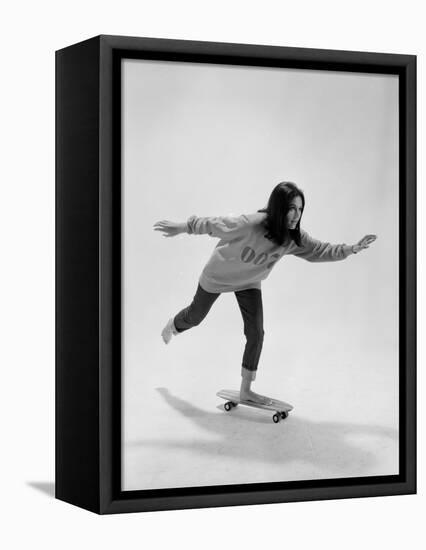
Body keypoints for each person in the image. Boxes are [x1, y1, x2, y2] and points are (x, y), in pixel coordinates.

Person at [153, 182, 377, 405]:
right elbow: (215, 224)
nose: (296, 215)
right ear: (279, 207)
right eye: (291, 208)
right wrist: (183, 227)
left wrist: (350, 249)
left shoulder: (291, 238)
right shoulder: (253, 224)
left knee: (256, 333)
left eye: (300, 209)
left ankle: (246, 390)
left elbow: (320, 250)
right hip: (218, 276)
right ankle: (173, 325)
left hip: (249, 282)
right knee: (195, 316)